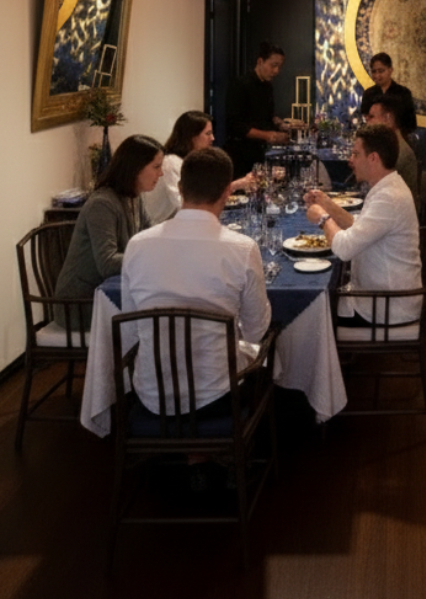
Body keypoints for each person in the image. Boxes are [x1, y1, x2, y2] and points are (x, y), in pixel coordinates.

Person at [121, 147, 271, 420]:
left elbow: (131, 328)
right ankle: (212, 451)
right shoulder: (242, 248)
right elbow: (255, 329)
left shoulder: (137, 245)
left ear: (180, 187)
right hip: (217, 397)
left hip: (151, 396)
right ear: (227, 191)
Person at [305, 124, 421, 327]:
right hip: (381, 297)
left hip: (386, 308)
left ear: (373, 158)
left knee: (307, 314)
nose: (350, 160)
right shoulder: (388, 186)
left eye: (356, 154)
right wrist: (327, 204)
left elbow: (343, 249)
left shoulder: (389, 198)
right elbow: (358, 225)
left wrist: (323, 217)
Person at [54, 134, 164, 327]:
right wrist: (150, 255)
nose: (161, 173)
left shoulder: (134, 196)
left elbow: (149, 236)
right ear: (135, 169)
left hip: (110, 294)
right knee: (160, 318)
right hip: (82, 304)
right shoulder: (102, 204)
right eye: (156, 167)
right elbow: (107, 262)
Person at [145, 110, 255, 223]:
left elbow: (205, 197)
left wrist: (237, 184)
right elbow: (185, 206)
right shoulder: (172, 163)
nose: (212, 138)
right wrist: (235, 185)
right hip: (161, 226)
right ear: (192, 136)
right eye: (208, 133)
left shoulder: (194, 161)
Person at [225, 41, 294, 178]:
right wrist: (269, 136)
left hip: (259, 153)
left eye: (279, 67)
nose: (276, 71)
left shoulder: (267, 87)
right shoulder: (240, 85)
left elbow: (266, 116)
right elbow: (236, 125)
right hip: (240, 154)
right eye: (273, 66)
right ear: (260, 61)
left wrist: (282, 125)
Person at [367, 96, 419, 208]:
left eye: (371, 117)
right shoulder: (392, 146)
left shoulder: (397, 152)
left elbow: (376, 188)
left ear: (388, 118)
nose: (367, 122)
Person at [359, 52, 417, 136]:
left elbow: (411, 124)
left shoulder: (403, 93)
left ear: (390, 70)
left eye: (381, 71)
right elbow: (364, 121)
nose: (377, 75)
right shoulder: (369, 94)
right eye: (374, 72)